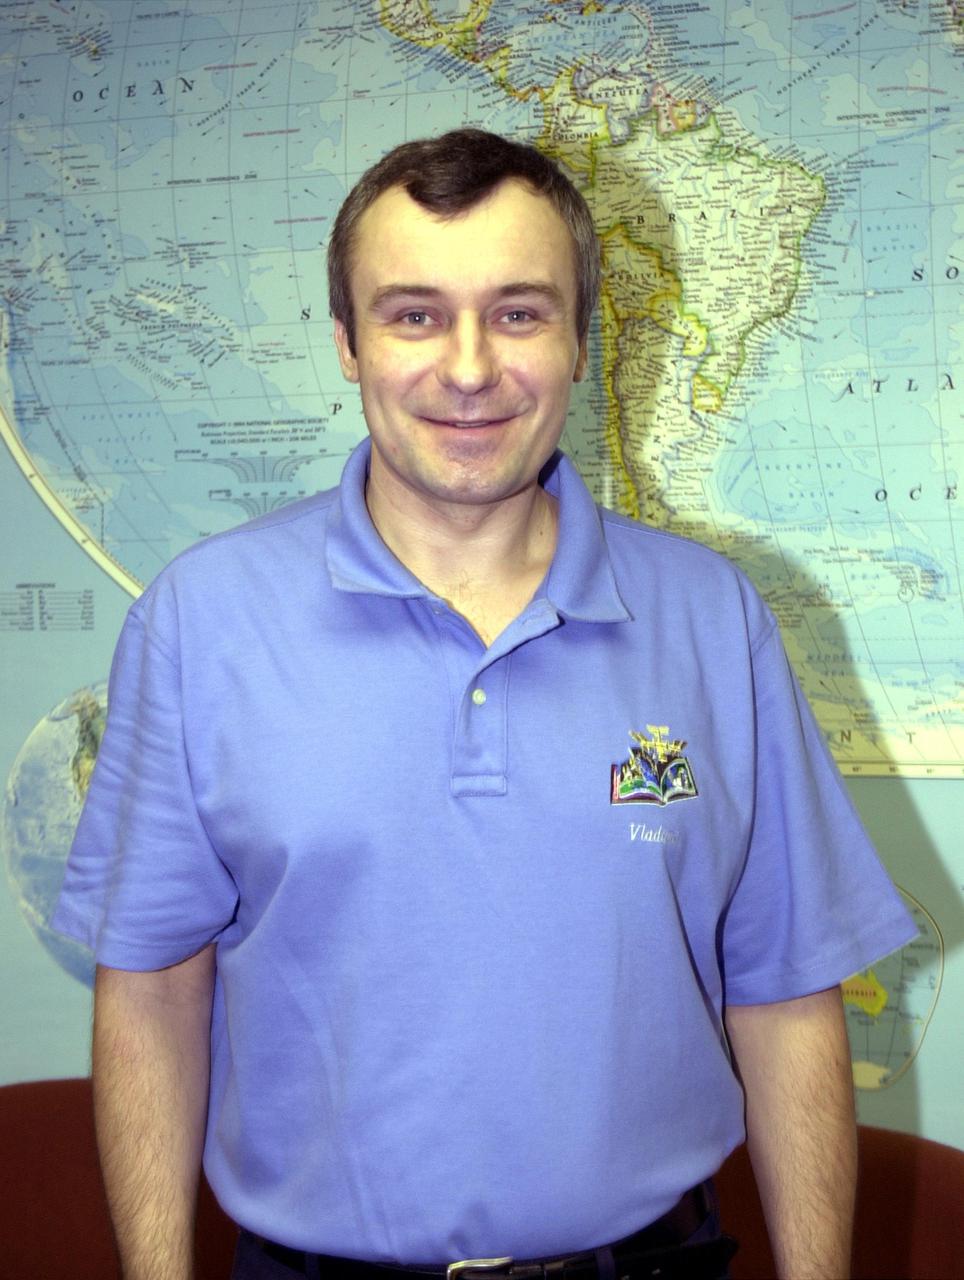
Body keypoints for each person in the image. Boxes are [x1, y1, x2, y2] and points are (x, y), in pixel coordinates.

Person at [54, 128, 916, 1280]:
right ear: (348, 345)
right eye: (413, 314)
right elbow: (152, 988)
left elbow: (787, 993)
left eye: (518, 312)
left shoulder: (713, 619)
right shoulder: (200, 620)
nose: (469, 368)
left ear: (578, 338)